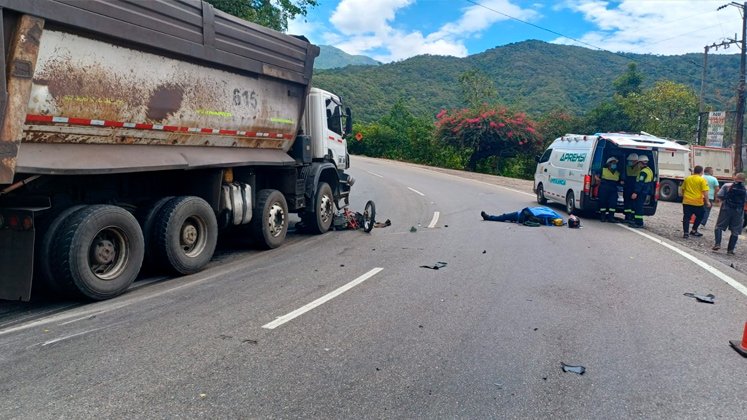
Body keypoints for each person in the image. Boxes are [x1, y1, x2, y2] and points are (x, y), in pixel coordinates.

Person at [712, 172, 746, 255]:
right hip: (738, 211)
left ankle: (717, 244)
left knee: (719, 226)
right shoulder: (745, 189)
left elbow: (719, 195)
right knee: (735, 231)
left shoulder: (727, 186)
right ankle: (730, 250)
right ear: (744, 180)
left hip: (726, 208)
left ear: (735, 178)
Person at [681, 165, 711, 238]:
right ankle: (694, 230)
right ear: (701, 172)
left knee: (686, 217)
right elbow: (705, 192)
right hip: (697, 202)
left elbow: (682, 189)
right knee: (701, 215)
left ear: (694, 171)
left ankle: (686, 233)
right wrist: (707, 202)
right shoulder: (702, 180)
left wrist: (684, 196)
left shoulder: (687, 178)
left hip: (687, 201)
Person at [595, 156, 622, 222]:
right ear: (609, 164)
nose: (614, 165)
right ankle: (603, 216)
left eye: (615, 163)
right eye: (613, 163)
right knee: (603, 202)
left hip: (613, 189)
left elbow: (620, 181)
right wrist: (597, 179)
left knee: (613, 203)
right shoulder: (603, 170)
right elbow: (595, 175)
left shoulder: (617, 172)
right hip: (604, 188)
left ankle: (611, 217)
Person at [629, 154, 653, 228]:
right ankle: (636, 221)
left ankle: (639, 223)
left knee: (638, 207)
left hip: (641, 192)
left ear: (641, 163)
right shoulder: (649, 170)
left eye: (638, 163)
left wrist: (635, 192)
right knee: (638, 206)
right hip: (645, 192)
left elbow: (640, 183)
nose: (638, 164)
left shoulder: (643, 172)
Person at [481, 206, 563, 226]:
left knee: (504, 216)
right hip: (522, 214)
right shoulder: (552, 214)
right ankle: (489, 217)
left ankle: (488, 217)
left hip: (520, 215)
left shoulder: (549, 216)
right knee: (505, 217)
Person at [623, 153, 640, 222]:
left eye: (630, 161)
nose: (629, 162)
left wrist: (636, 191)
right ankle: (627, 216)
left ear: (635, 161)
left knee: (634, 203)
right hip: (628, 186)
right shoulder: (627, 167)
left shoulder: (639, 168)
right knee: (627, 201)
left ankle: (632, 217)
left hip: (635, 187)